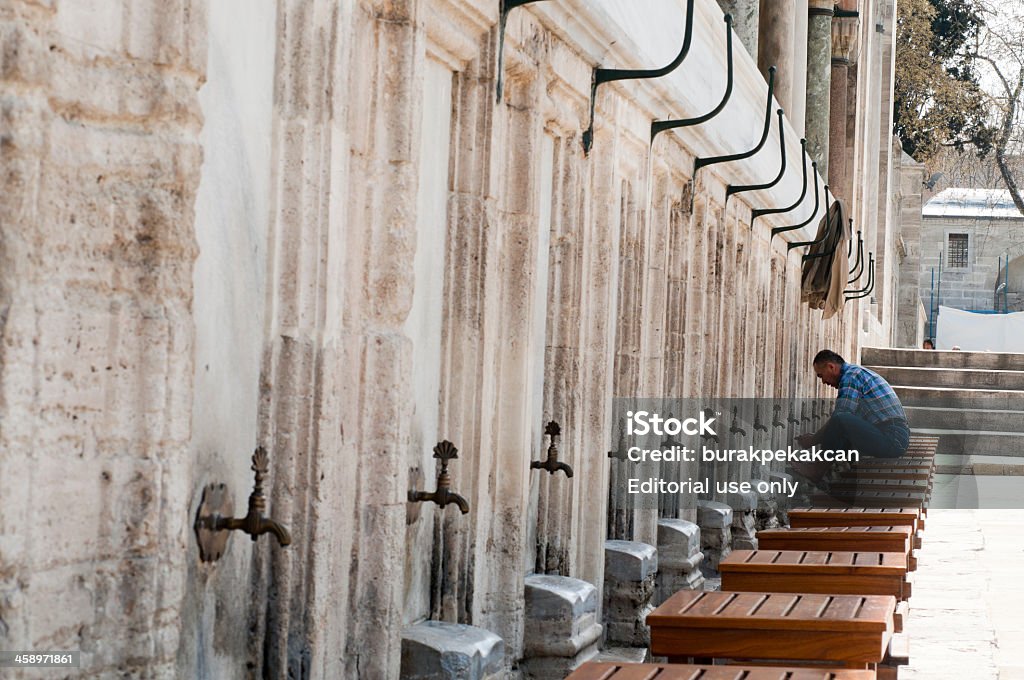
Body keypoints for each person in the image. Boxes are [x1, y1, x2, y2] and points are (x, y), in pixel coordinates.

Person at [796, 349, 910, 459]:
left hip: (893, 439)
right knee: (845, 425)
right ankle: (828, 468)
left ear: (831, 367)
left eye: (821, 375)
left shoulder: (851, 376)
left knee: (840, 419)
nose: (823, 382)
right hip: (895, 437)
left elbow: (840, 417)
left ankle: (817, 469)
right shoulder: (854, 373)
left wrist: (814, 440)